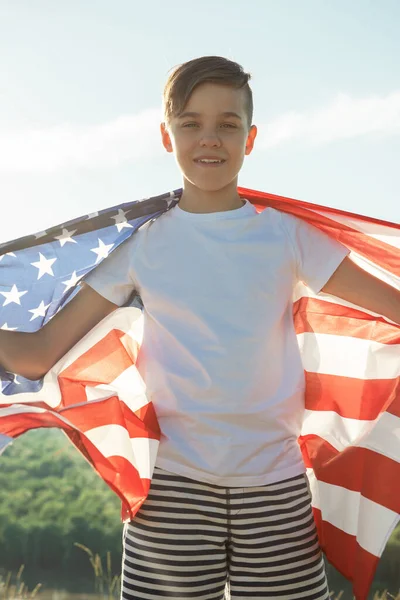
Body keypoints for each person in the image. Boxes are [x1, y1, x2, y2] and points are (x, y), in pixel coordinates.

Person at [1, 56, 399, 600]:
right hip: (171, 492)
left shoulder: (285, 237)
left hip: (276, 489)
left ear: (250, 138)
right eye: (190, 123)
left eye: (227, 124)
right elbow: (39, 352)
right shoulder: (142, 246)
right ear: (167, 137)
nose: (209, 138)